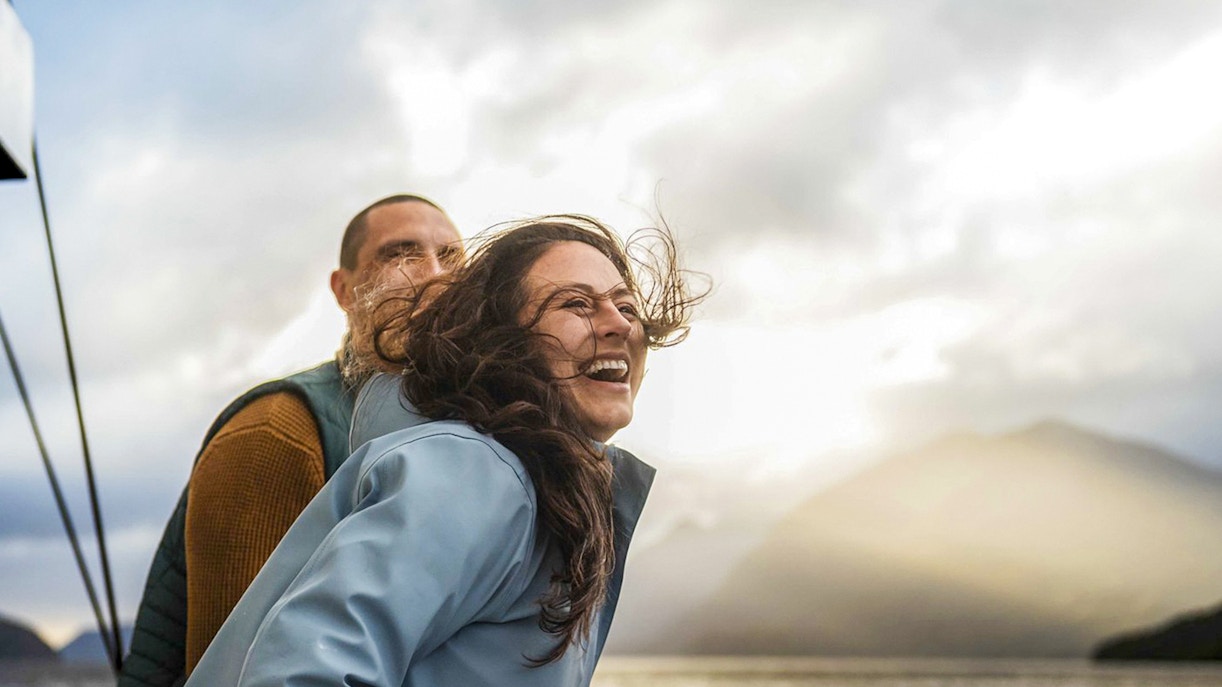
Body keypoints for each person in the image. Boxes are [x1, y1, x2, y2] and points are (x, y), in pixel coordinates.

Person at [184, 216, 705, 686]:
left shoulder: (538, 487)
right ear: (501, 342)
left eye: (627, 305)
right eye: (574, 304)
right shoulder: (473, 473)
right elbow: (298, 674)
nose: (620, 323)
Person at [118, 194, 463, 687]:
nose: (434, 274)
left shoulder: (465, 437)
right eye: (400, 254)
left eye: (452, 258)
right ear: (344, 290)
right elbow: (233, 673)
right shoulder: (277, 432)